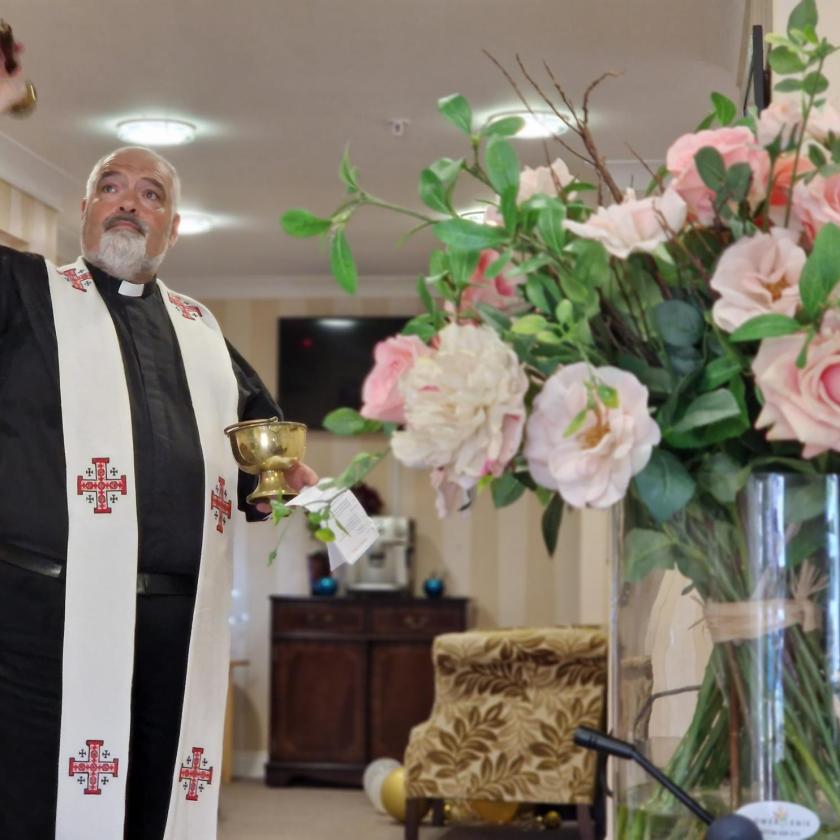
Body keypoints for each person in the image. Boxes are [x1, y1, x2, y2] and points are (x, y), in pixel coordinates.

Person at [0, 50, 316, 840]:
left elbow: (261, 465)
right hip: (44, 619)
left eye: (152, 195)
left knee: (152, 805)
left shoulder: (203, 332)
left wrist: (290, 484)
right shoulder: (26, 297)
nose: (128, 204)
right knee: (37, 803)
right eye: (110, 186)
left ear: (173, 228)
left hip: (179, 622)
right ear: (83, 211)